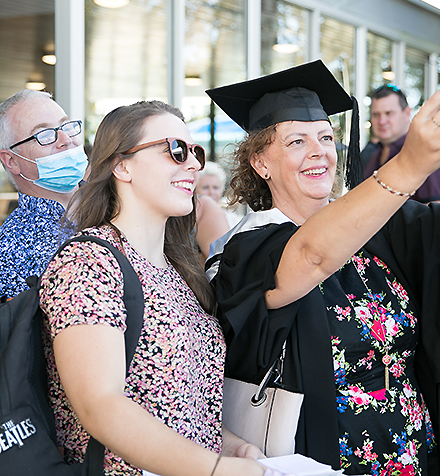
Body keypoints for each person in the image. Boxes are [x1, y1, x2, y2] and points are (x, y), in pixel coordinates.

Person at [204, 60, 440, 475]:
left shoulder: (374, 223)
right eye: (296, 141)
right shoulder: (245, 247)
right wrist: (411, 163)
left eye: (325, 137)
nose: (318, 151)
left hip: (410, 447)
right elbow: (312, 255)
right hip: (327, 456)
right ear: (260, 162)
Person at [38, 100, 279, 476]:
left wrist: (234, 446)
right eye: (176, 150)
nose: (194, 165)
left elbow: (184, 406)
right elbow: (100, 406)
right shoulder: (89, 262)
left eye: (196, 153)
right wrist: (214, 469)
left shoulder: (178, 270)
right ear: (122, 164)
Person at [0, 89, 88, 299]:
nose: (65, 139)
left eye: (66, 126)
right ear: (11, 161)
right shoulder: (11, 250)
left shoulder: (119, 203)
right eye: (45, 135)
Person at [363, 84, 440, 203]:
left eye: (389, 113)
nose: (382, 121)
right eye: (376, 114)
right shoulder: (373, 155)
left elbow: (439, 212)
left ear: (407, 113)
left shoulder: (427, 152)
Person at [197, 161, 243, 227]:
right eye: (205, 187)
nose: (211, 192)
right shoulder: (189, 219)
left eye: (215, 188)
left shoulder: (231, 219)